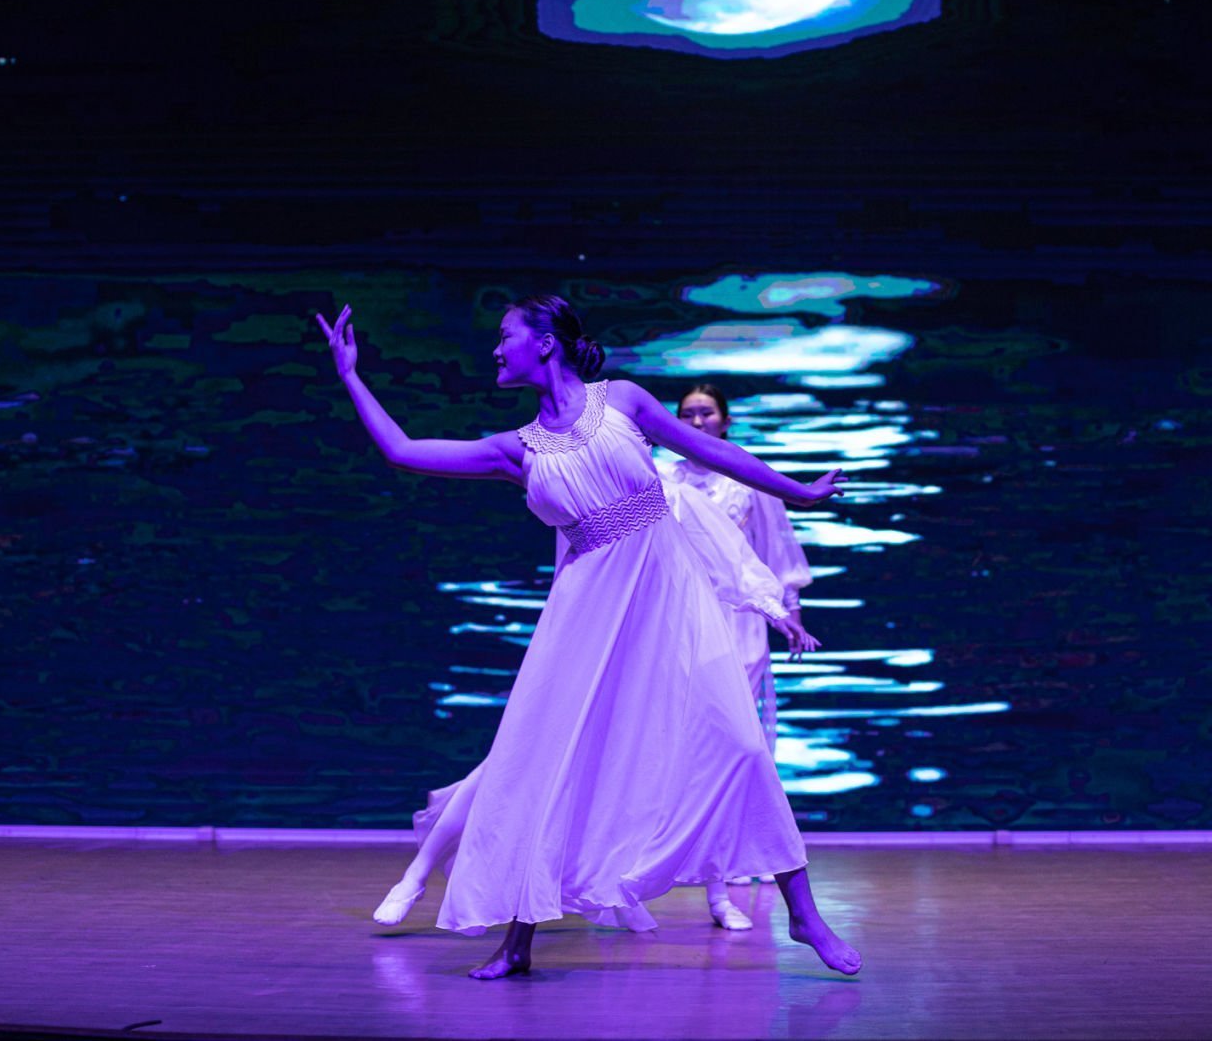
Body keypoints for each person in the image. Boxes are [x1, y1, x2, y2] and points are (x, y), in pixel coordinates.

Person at [316, 295, 861, 980]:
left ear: (545, 342)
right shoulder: (517, 448)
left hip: (669, 602)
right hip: (583, 617)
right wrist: (350, 375)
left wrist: (799, 492)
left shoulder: (623, 401)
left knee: (745, 746)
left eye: (505, 336)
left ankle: (802, 914)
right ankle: (518, 940)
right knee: (548, 765)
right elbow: (403, 451)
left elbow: (715, 452)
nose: (495, 349)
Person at [370, 469, 814, 934]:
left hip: (660, 653)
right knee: (511, 766)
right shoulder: (585, 499)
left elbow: (730, 559)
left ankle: (649, 891)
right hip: (593, 648)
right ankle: (417, 873)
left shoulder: (669, 498)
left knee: (664, 770)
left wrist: (777, 610)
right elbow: (571, 577)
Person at [660, 383, 818, 914]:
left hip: (741, 622)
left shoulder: (746, 476)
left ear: (725, 421)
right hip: (681, 621)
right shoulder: (663, 478)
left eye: (706, 413)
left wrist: (789, 615)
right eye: (686, 414)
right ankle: (702, 872)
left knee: (739, 745)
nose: (696, 422)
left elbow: (777, 551)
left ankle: (737, 867)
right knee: (688, 743)